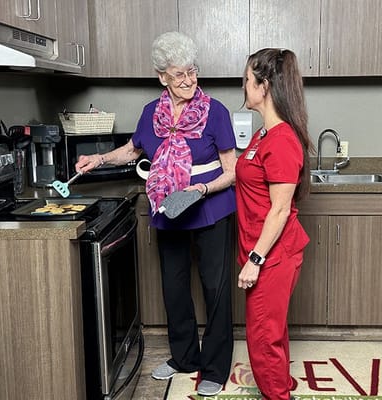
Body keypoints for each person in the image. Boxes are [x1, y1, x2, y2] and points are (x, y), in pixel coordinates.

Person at [75, 32, 237, 397]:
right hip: (169, 208)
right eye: (179, 75)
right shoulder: (151, 113)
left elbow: (233, 170)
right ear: (161, 76)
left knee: (216, 289)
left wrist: (201, 189)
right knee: (174, 287)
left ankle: (213, 367)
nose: (189, 81)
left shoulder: (215, 112)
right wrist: (98, 159)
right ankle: (185, 358)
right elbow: (133, 150)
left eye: (193, 72)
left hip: (210, 205)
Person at [235, 48, 314, 400]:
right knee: (272, 331)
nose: (244, 85)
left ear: (264, 86)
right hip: (266, 251)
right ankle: (281, 386)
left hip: (272, 256)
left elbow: (280, 210)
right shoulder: (263, 135)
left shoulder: (281, 139)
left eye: (247, 80)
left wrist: (255, 259)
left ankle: (278, 395)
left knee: (263, 338)